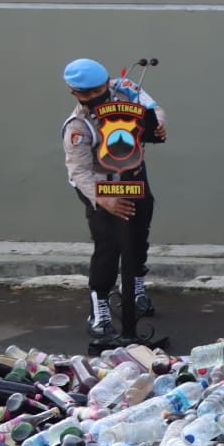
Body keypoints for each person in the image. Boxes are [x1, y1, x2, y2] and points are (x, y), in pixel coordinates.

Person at [61, 58, 167, 338]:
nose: (96, 97)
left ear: (107, 81)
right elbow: (79, 172)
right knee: (109, 245)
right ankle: (99, 307)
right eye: (87, 94)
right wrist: (102, 199)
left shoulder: (127, 88)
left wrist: (158, 126)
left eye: (99, 90)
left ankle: (134, 288)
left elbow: (154, 108)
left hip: (134, 177)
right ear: (74, 93)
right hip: (102, 187)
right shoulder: (78, 127)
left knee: (139, 233)